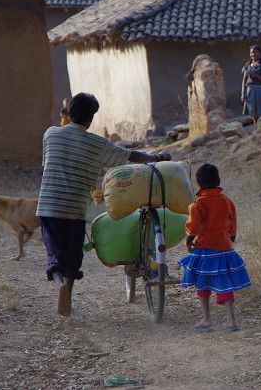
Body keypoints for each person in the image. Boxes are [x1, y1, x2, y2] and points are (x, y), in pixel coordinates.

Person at [36, 92, 171, 317]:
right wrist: (157, 157)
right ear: (90, 120)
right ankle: (67, 295)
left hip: (48, 206)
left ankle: (59, 283)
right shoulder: (97, 144)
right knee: (73, 255)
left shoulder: (50, 134)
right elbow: (131, 156)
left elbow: (45, 165)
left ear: (69, 113)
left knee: (55, 254)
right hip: (75, 209)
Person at [177, 163, 251, 332]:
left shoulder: (198, 204)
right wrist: (231, 236)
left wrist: (189, 240)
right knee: (225, 281)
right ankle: (231, 321)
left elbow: (193, 226)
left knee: (202, 283)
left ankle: (207, 319)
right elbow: (232, 222)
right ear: (218, 181)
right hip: (224, 247)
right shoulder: (226, 201)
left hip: (205, 249)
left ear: (199, 184)